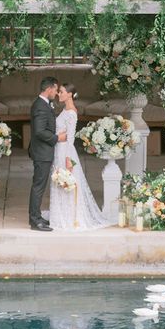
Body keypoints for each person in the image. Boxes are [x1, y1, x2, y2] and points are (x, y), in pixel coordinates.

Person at [49, 83, 110, 230]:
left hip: (66, 152)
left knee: (66, 180)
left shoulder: (71, 112)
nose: (59, 94)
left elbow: (70, 138)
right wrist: (57, 137)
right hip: (59, 149)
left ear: (70, 94)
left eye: (62, 92)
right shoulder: (65, 109)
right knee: (59, 180)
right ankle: (60, 213)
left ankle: (70, 217)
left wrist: (69, 159)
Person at [28, 76, 67, 231]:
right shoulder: (39, 106)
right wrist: (58, 138)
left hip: (44, 152)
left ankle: (37, 217)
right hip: (42, 153)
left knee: (40, 186)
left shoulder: (45, 104)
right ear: (49, 88)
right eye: (56, 90)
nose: (56, 93)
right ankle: (35, 221)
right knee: (38, 186)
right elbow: (39, 131)